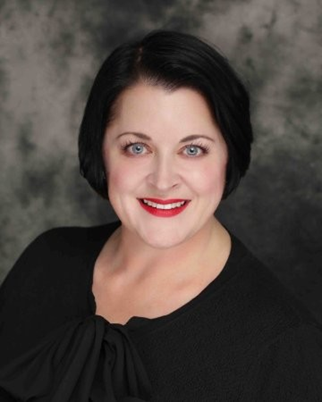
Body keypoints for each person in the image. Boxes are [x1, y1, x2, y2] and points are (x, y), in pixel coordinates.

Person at [0, 30, 321, 402]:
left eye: (193, 150)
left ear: (229, 156)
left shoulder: (287, 346)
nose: (163, 180)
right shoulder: (46, 260)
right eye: (137, 147)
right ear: (100, 149)